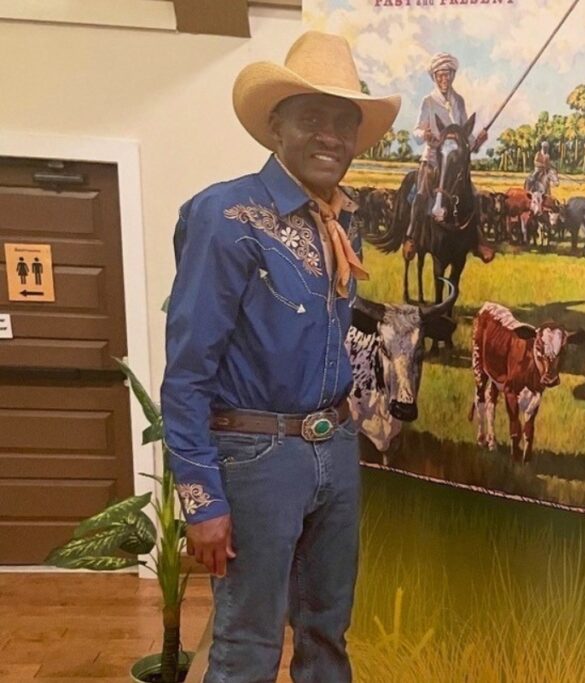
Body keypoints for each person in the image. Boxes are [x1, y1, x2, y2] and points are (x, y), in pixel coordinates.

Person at [160, 31, 400, 682]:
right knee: (247, 645)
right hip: (258, 459)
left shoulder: (335, 224)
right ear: (276, 127)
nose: (331, 136)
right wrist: (201, 499)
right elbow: (186, 374)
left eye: (344, 123)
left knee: (328, 634)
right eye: (312, 118)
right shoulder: (225, 215)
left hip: (334, 447)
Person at [403, 52, 492, 261]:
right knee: (422, 192)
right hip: (433, 158)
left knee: (473, 193)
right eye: (439, 76)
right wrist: (423, 135)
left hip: (454, 162)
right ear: (434, 77)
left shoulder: (459, 101)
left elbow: (465, 136)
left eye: (447, 75)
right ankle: (411, 237)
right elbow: (416, 131)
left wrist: (478, 141)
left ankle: (477, 240)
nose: (444, 79)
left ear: (452, 76)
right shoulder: (428, 101)